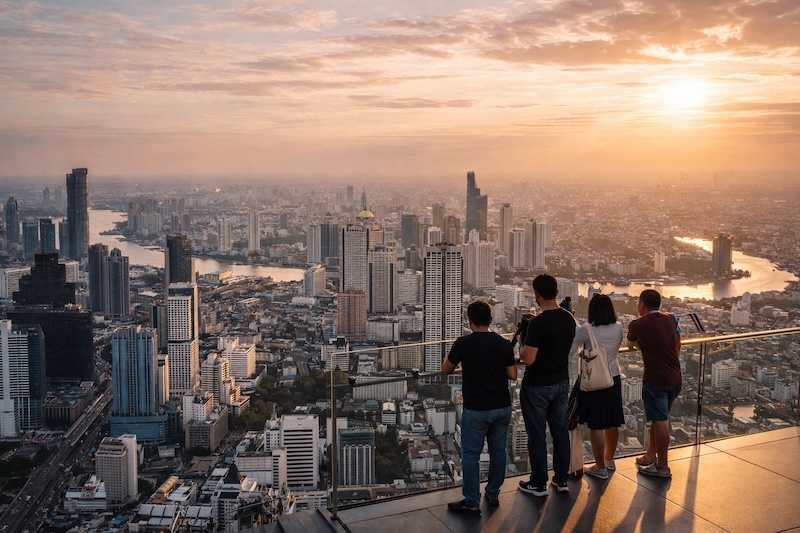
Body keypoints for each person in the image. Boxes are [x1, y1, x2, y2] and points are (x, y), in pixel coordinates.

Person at [443, 300, 517, 515]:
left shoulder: (463, 343)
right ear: (491, 320)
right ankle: (493, 494)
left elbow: (446, 370)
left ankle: (472, 500)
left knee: (470, 455)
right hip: (502, 406)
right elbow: (512, 374)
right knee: (498, 452)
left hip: (476, 409)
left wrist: (450, 357)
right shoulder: (503, 343)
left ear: (470, 321)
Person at [518, 274, 576, 497]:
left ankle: (538, 482)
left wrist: (523, 341)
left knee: (537, 435)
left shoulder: (538, 324)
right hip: (561, 382)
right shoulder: (568, 318)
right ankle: (561, 479)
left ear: (537, 295)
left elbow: (529, 358)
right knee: (560, 432)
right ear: (557, 293)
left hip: (537, 386)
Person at [626, 289, 682, 478]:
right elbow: (676, 342)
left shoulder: (637, 324)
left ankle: (663, 466)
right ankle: (650, 455)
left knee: (660, 421)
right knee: (659, 419)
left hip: (655, 379)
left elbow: (630, 343)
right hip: (675, 377)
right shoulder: (671, 320)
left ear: (642, 305)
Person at [569, 293, 624, 480]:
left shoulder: (586, 330)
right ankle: (609, 459)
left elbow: (573, 348)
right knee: (612, 420)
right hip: (614, 377)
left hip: (594, 379)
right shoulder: (618, 327)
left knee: (596, 424)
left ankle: (599, 467)